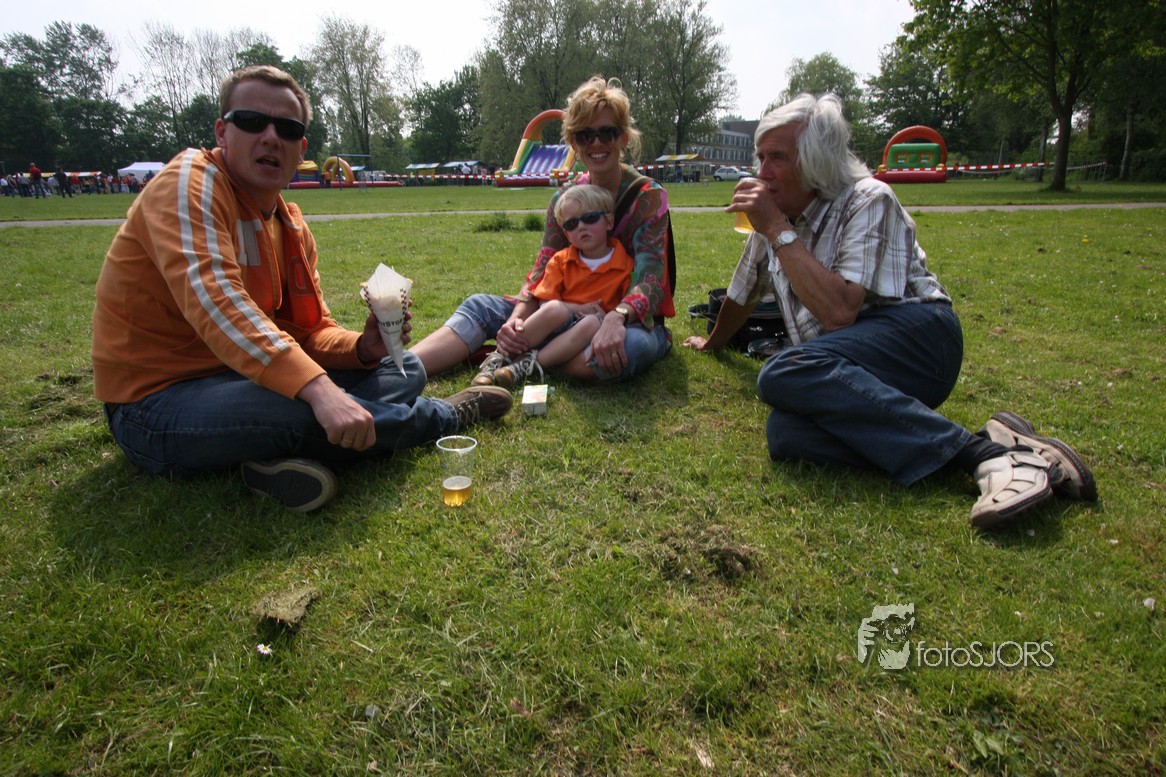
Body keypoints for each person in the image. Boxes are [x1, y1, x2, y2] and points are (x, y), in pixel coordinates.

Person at [91, 65, 512, 513]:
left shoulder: (289, 224)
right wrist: (318, 390)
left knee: (403, 368)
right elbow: (217, 304)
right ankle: (444, 416)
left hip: (245, 379)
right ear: (222, 132)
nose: (271, 137)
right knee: (307, 405)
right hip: (153, 403)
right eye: (252, 121)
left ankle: (266, 455)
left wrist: (363, 348)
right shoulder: (189, 185)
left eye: (288, 129)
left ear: (301, 150)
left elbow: (311, 332)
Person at [683, 93, 1097, 529]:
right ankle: (992, 442)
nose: (762, 172)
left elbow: (840, 312)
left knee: (782, 371)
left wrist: (778, 231)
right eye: (760, 157)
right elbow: (743, 293)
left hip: (920, 341)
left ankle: (990, 459)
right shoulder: (775, 220)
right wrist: (712, 344)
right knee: (786, 435)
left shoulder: (867, 199)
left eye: (778, 158)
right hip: (844, 368)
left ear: (816, 160)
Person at [411, 75, 675, 385]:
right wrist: (516, 321)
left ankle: (526, 360)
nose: (596, 143)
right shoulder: (564, 199)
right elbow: (543, 267)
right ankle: (400, 370)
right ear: (573, 143)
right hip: (563, 313)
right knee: (481, 306)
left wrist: (617, 317)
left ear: (623, 138)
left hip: (624, 318)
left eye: (607, 132)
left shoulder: (647, 196)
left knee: (631, 346)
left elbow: (650, 280)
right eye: (584, 135)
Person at [472, 184, 632, 388]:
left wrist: (604, 315)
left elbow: (624, 310)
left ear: (609, 222)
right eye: (572, 224)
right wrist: (578, 308)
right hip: (552, 328)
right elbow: (545, 304)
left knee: (593, 322)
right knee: (555, 308)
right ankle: (500, 357)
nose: (581, 227)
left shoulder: (625, 265)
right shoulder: (561, 260)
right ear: (566, 234)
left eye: (590, 218)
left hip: (583, 337)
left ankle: (526, 366)